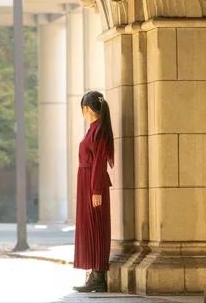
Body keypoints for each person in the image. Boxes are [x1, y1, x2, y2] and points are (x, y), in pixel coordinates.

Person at [72, 90, 115, 293]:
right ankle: (93, 274)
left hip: (93, 183)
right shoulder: (93, 129)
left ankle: (99, 277)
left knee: (96, 226)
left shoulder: (99, 131)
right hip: (87, 182)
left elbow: (99, 163)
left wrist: (96, 190)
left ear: (86, 108)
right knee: (89, 226)